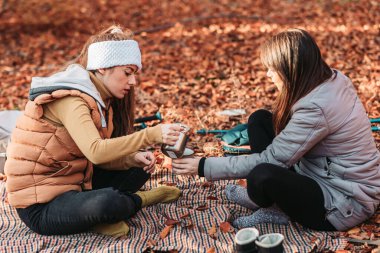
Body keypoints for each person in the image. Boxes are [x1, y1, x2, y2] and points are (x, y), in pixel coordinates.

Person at [172, 28, 380, 231]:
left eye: (273, 69)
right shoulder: (330, 79)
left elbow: (270, 161)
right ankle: (271, 201)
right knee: (260, 120)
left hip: (344, 202)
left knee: (261, 174)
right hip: (322, 173)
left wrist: (202, 166)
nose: (268, 74)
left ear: (291, 68)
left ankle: (275, 210)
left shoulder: (316, 108)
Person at [4, 25, 183, 236]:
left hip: (75, 182)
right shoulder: (72, 100)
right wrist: (153, 134)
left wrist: (132, 159)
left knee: (139, 168)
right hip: (41, 205)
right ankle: (140, 200)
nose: (133, 82)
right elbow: (96, 151)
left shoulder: (99, 102)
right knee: (107, 202)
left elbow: (96, 159)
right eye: (127, 73)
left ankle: (95, 216)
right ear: (102, 68)